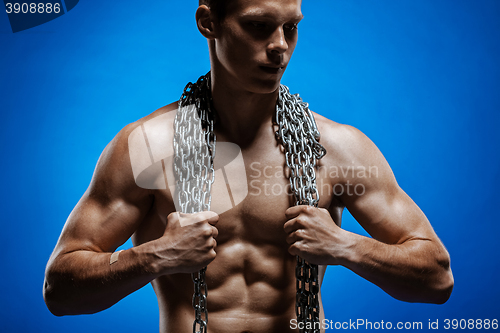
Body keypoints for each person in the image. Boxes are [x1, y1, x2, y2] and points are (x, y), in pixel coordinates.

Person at [43, 0, 454, 332]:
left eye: (291, 27)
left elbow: (437, 279)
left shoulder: (337, 149)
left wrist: (346, 247)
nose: (280, 46)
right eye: (259, 26)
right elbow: (59, 289)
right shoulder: (148, 148)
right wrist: (156, 256)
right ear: (208, 22)